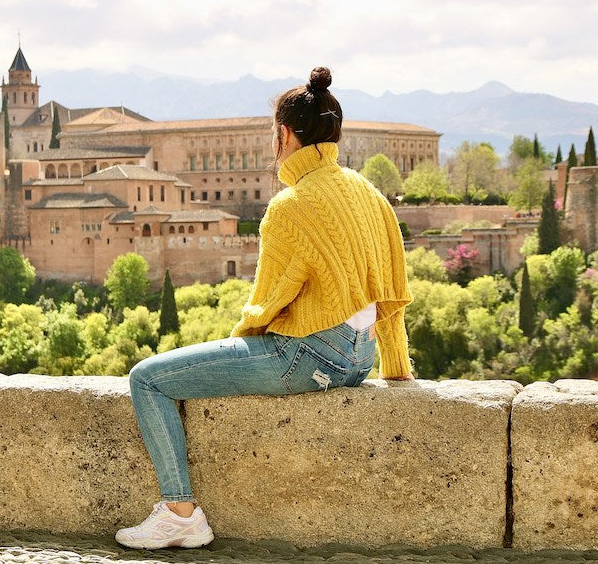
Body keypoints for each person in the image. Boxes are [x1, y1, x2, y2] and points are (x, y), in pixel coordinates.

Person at [115, 66, 413, 550]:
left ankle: (179, 513)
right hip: (359, 360)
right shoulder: (370, 194)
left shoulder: (291, 204)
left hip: (306, 356)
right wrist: (396, 369)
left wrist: (234, 350)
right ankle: (177, 515)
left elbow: (266, 306)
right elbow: (391, 293)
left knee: (146, 378)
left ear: (284, 134)